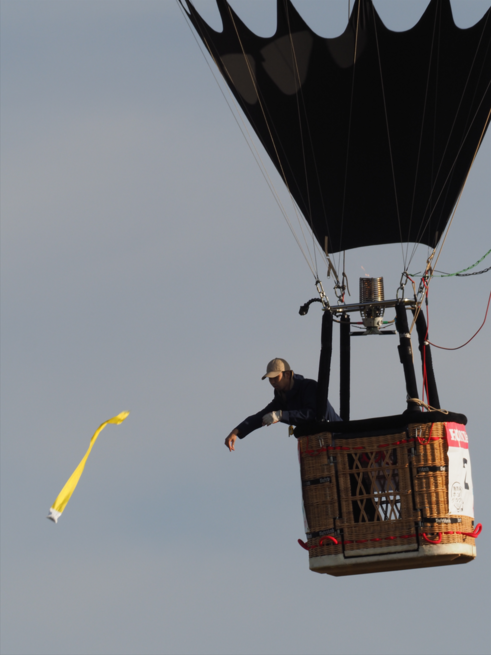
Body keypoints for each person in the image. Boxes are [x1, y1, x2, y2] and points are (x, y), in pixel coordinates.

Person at [225, 358, 341, 451]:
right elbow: (260, 417)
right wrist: (236, 432)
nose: (273, 382)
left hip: (340, 437)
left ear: (287, 374)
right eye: (270, 379)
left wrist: (281, 415)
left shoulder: (309, 387)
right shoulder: (282, 399)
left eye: (276, 377)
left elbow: (313, 413)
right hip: (321, 447)